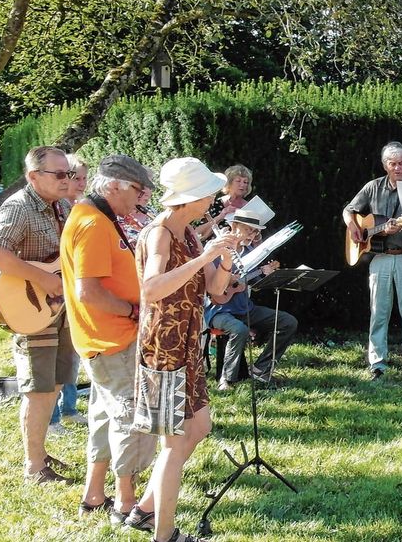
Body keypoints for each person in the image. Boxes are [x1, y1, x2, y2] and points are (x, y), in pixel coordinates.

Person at [136, 157, 237, 542]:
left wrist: (223, 256)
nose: (214, 197)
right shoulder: (159, 233)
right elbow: (151, 288)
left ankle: (144, 509)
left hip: (189, 343)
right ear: (192, 197)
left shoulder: (190, 232)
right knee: (173, 446)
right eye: (209, 192)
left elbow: (214, 288)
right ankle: (164, 535)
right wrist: (204, 258)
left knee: (199, 428)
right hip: (162, 347)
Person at [60, 155, 159, 525]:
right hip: (113, 338)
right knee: (130, 419)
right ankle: (126, 504)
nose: (141, 198)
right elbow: (89, 292)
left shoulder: (95, 217)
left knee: (104, 416)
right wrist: (134, 312)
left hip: (103, 338)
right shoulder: (93, 223)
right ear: (114, 185)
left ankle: (94, 494)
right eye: (137, 189)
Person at [0, 146, 76, 483]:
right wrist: (43, 278)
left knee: (56, 382)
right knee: (39, 387)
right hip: (31, 306)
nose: (67, 179)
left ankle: (41, 453)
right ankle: (34, 467)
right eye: (60, 174)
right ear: (34, 176)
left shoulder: (63, 206)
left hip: (61, 308)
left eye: (68, 173)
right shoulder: (19, 206)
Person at [342, 141, 402, 380]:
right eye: (393, 163)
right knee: (378, 312)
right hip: (379, 257)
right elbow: (349, 210)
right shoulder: (372, 187)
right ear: (384, 165)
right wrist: (354, 227)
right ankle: (377, 363)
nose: (398, 167)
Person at [204, 200, 299, 391]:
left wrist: (263, 274)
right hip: (218, 310)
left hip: (244, 307)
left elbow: (251, 285)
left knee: (288, 322)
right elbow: (211, 284)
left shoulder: (252, 253)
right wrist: (228, 278)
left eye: (256, 232)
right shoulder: (216, 248)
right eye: (249, 230)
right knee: (240, 330)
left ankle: (261, 369)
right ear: (234, 226)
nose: (252, 235)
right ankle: (227, 380)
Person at [49, 153, 92, 436]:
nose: (81, 183)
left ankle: (69, 408)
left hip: (72, 291)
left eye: (84, 178)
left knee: (71, 355)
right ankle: (51, 419)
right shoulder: (59, 208)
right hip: (52, 291)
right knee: (50, 359)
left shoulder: (78, 208)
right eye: (76, 177)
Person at [194, 164, 252, 241]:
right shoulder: (215, 204)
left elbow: (255, 239)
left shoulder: (250, 207)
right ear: (229, 183)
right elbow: (197, 233)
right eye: (238, 181)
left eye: (246, 182)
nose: (242, 185)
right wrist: (221, 216)